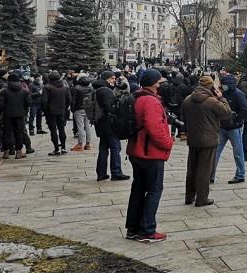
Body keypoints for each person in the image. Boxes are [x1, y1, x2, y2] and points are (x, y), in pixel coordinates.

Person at [126, 69, 173, 242]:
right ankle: (147, 230)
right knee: (154, 190)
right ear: (153, 83)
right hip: (149, 153)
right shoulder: (150, 101)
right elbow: (155, 129)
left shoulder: (138, 97)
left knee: (138, 189)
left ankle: (133, 228)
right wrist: (168, 144)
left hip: (137, 150)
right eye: (159, 82)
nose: (161, 85)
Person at [182, 75, 232, 206]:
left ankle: (189, 196)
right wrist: (221, 97)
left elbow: (184, 117)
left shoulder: (188, 99)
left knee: (191, 168)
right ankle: (202, 198)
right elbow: (227, 113)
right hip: (208, 140)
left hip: (193, 138)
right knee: (204, 170)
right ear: (210, 86)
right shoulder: (212, 101)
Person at [93, 71, 130, 181]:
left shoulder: (97, 89)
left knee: (103, 148)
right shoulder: (106, 91)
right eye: (112, 78)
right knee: (115, 148)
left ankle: (101, 173)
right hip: (109, 124)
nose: (114, 81)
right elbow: (111, 108)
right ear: (107, 79)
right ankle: (116, 172)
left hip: (101, 123)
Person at [212, 74, 247, 185]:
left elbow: (244, 109)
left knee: (238, 152)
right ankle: (210, 175)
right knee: (215, 152)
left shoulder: (238, 94)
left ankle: (240, 174)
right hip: (222, 126)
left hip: (234, 127)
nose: (222, 86)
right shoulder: (222, 94)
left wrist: (236, 120)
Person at [0, 73, 31, 159]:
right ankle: (18, 152)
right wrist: (24, 111)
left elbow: (0, 104)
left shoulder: (4, 91)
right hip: (20, 115)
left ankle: (6, 152)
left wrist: (0, 114)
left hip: (7, 115)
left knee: (6, 133)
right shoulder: (24, 91)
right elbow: (28, 103)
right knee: (19, 133)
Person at [42, 71, 71, 156]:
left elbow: (44, 101)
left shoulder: (47, 87)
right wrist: (64, 108)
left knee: (53, 130)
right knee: (61, 129)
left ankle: (56, 148)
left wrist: (45, 111)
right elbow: (69, 100)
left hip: (51, 112)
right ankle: (63, 147)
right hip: (61, 111)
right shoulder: (65, 87)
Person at [70, 74, 94, 152]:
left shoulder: (76, 88)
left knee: (80, 127)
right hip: (87, 109)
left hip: (78, 109)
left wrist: (73, 109)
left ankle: (80, 144)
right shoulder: (90, 88)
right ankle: (88, 144)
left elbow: (73, 100)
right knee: (87, 127)